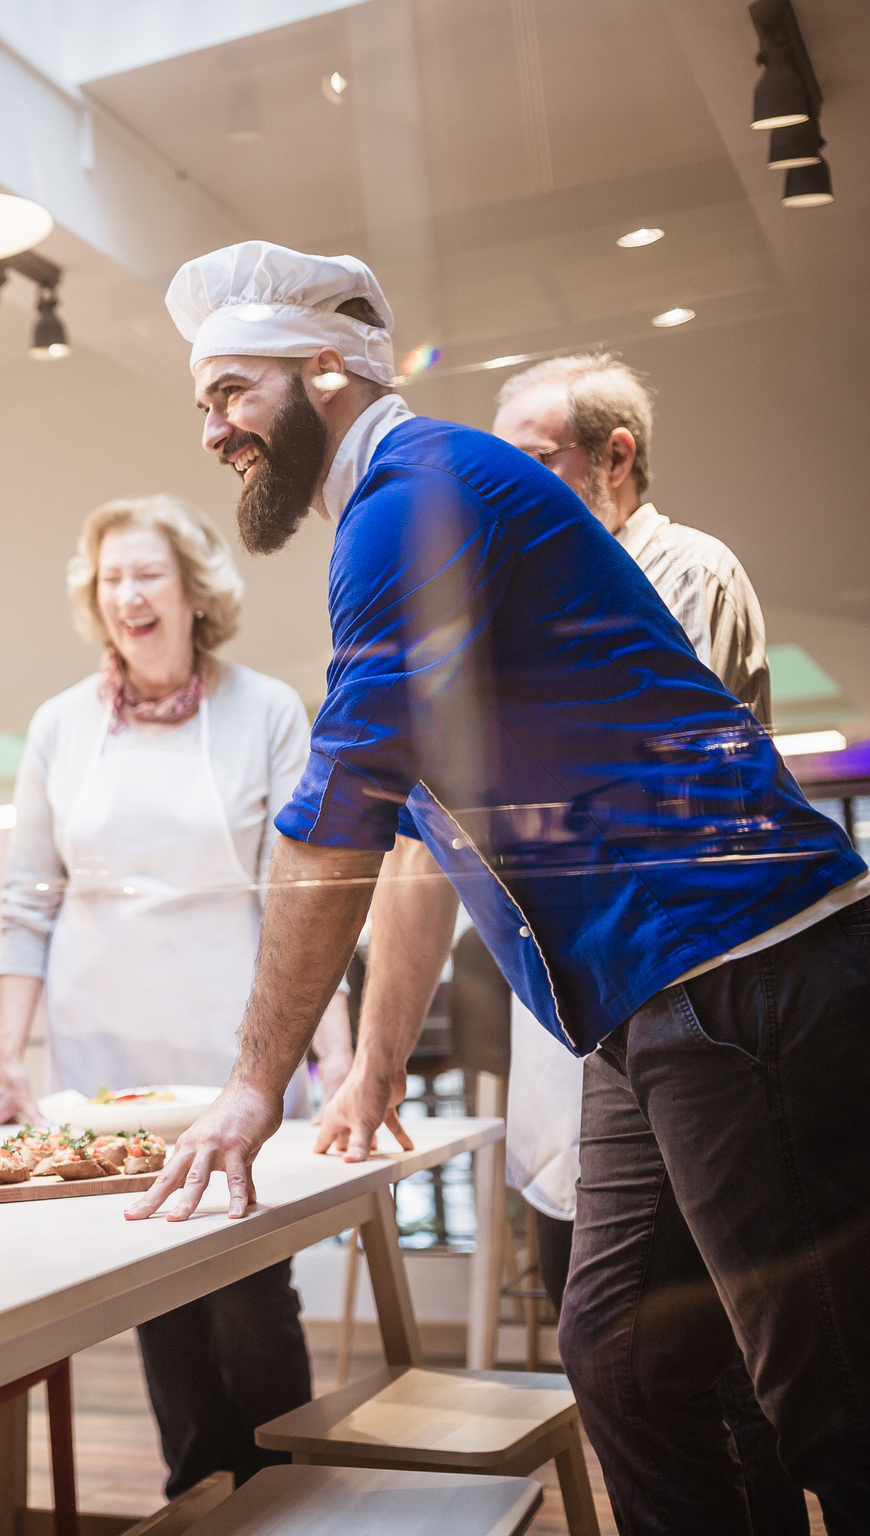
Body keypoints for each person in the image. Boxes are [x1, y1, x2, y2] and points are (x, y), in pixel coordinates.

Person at [127, 240, 870, 1536]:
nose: (212, 431)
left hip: (734, 969)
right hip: (644, 1010)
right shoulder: (401, 508)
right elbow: (421, 829)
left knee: (835, 1408)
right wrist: (373, 1063)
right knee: (628, 1361)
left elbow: (339, 817)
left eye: (230, 393)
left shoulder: (420, 497)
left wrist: (255, 1084)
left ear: (326, 372)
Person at [492, 354, 802, 1536]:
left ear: (614, 458)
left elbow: (641, 782)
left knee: (723, 1347)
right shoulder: (549, 594)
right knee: (634, 1344)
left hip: (708, 1002)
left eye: (534, 467)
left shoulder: (685, 569)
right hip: (622, 1009)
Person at [0, 494, 349, 1496]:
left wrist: (341, 1052)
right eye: (110, 579)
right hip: (101, 1051)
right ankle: (198, 1493)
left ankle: (286, 1494)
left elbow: (307, 894)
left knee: (247, 1280)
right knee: (152, 1279)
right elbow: (27, 902)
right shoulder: (59, 726)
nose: (127, 596)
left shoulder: (266, 708)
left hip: (233, 1042)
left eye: (146, 574)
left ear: (194, 590)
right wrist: (11, 1058)